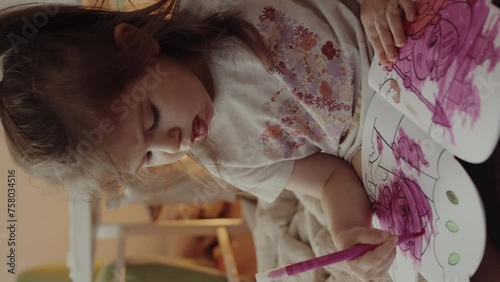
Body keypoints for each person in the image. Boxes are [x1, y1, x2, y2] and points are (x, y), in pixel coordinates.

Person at [0, 0, 497, 281]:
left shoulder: (219, 5)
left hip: (399, 44)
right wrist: (347, 231)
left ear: (136, 45)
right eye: (148, 157)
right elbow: (327, 177)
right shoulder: (224, 159)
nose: (173, 144)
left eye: (151, 117)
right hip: (384, 152)